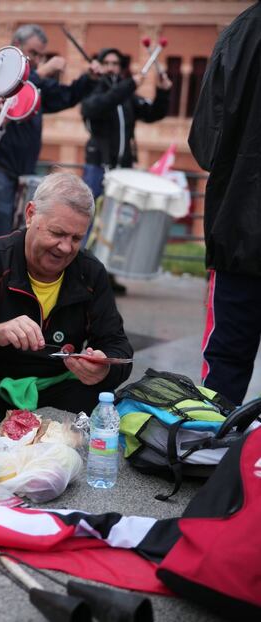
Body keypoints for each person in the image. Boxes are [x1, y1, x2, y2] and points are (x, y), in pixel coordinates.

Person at [0, 172, 133, 432]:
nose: (65, 247)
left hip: (56, 385)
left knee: (108, 423)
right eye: (57, 233)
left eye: (76, 238)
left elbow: (118, 346)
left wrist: (104, 369)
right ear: (30, 214)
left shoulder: (90, 272)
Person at [188, 1, 261, 406]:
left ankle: (207, 464)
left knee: (222, 378)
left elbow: (204, 144)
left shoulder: (238, 35)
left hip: (239, 232)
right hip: (238, 233)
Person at [0, 23, 101, 240]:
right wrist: (42, 71)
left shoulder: (37, 81)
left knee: (21, 233)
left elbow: (65, 96)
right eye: (32, 53)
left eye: (40, 56)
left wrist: (88, 79)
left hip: (24, 169)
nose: (36, 59)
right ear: (17, 45)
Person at [81, 47, 172, 200]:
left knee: (119, 216)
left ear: (120, 67)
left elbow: (153, 114)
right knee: (91, 211)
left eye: (115, 63)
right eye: (106, 63)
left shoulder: (128, 96)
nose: (111, 67)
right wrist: (129, 85)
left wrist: (163, 92)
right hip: (98, 165)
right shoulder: (93, 90)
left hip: (124, 166)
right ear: (100, 65)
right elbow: (98, 105)